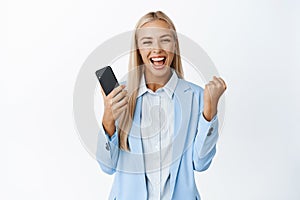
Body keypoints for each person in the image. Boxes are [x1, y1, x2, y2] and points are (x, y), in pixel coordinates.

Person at [96, 11, 227, 200]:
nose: (157, 49)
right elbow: (107, 166)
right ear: (138, 49)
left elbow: (201, 163)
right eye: (147, 41)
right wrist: (108, 117)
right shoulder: (121, 96)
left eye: (165, 40)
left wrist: (210, 111)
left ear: (175, 45)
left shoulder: (197, 96)